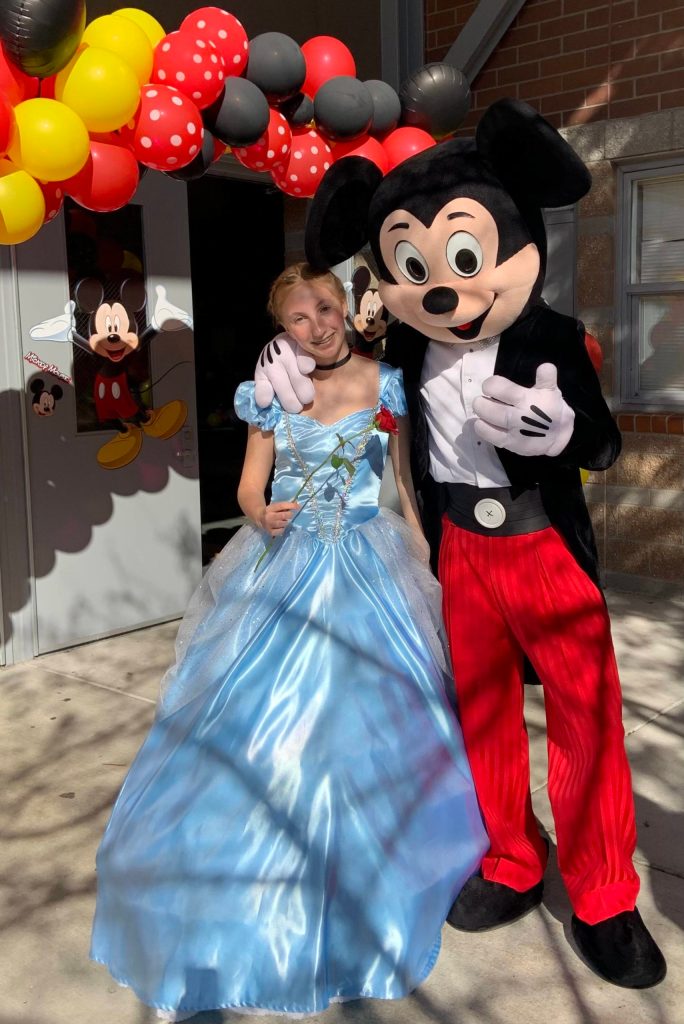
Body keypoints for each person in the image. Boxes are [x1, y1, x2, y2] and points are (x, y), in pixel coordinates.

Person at [90, 262, 488, 1020]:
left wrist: (427, 555)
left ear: (346, 307)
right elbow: (249, 484)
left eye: (327, 309)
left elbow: (405, 486)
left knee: (376, 719)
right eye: (300, 318)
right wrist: (258, 513)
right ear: (282, 328)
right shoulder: (269, 391)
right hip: (289, 562)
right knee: (265, 720)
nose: (318, 326)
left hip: (370, 562)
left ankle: (381, 854)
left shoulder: (386, 383)